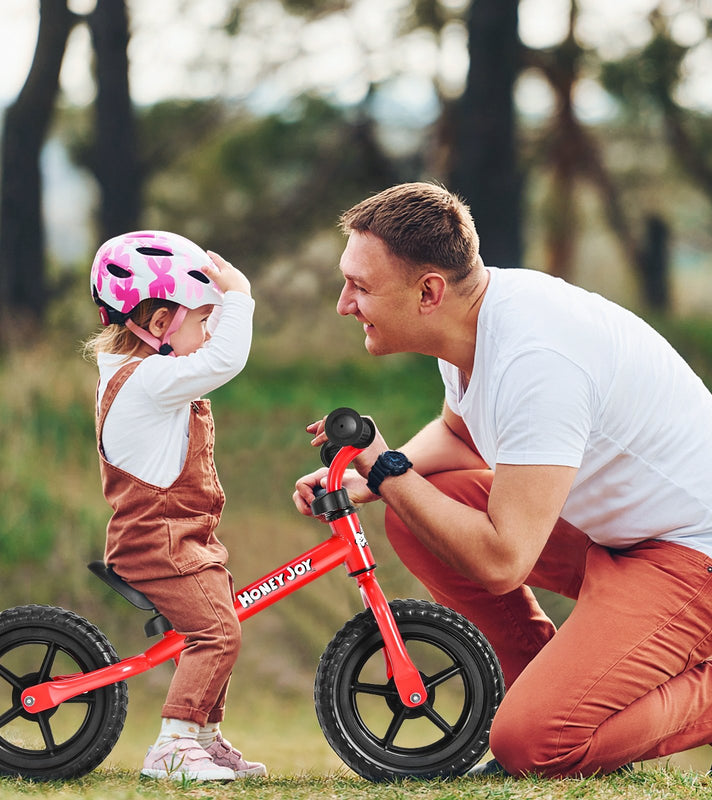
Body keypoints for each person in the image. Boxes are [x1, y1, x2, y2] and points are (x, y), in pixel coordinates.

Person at [293, 182, 712, 778]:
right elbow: (460, 436)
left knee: (533, 746)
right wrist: (369, 481)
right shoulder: (473, 322)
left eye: (360, 286)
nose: (344, 303)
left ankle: (553, 721)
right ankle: (544, 685)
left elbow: (501, 562)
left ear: (428, 290)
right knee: (416, 514)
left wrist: (386, 466)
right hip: (616, 534)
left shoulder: (537, 358)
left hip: (690, 554)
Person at [87, 230, 266, 782]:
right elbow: (226, 360)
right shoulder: (147, 380)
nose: (209, 331)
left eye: (213, 319)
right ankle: (174, 745)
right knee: (218, 633)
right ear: (160, 325)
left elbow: (211, 358)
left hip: (183, 539)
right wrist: (239, 297)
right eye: (202, 319)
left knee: (220, 626)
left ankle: (204, 738)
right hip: (159, 544)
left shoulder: (149, 376)